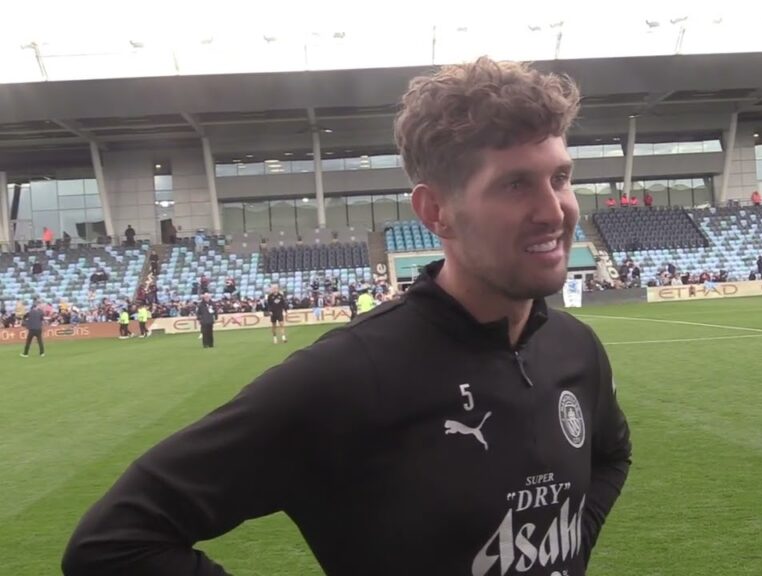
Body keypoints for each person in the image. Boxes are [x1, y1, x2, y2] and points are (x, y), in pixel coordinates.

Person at [63, 56, 631, 576]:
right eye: (515, 185)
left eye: (560, 177)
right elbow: (112, 543)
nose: (553, 210)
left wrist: (567, 548)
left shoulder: (575, 349)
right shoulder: (348, 376)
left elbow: (611, 454)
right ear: (437, 211)